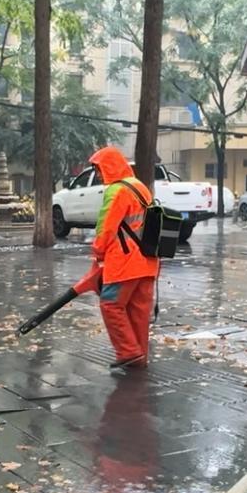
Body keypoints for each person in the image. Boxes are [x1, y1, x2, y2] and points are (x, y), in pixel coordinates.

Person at [88, 145, 159, 369]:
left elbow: (106, 227)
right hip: (148, 261)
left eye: (99, 169)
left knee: (110, 304)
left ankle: (128, 351)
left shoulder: (116, 191)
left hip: (124, 263)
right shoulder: (140, 187)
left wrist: (97, 251)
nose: (98, 175)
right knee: (139, 313)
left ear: (110, 166)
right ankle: (139, 357)